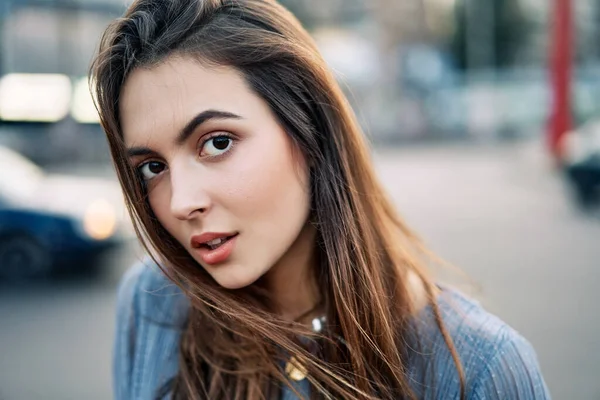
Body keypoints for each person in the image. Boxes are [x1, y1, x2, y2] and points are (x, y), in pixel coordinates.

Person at [90, 0, 551, 399]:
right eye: (153, 167)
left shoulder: (479, 370)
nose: (179, 204)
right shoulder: (152, 305)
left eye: (217, 143)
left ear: (308, 127)